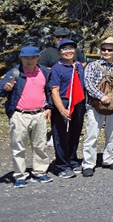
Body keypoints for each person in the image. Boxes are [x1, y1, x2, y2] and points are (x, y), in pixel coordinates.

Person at [1, 46, 54, 187]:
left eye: (33, 58)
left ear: (38, 58)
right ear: (21, 58)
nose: (29, 61)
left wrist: (48, 107)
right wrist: (6, 88)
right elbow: (1, 90)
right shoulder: (14, 73)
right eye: (26, 58)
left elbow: (48, 91)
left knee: (39, 145)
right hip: (20, 115)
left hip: (39, 114)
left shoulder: (44, 72)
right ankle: (20, 175)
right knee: (18, 147)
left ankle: (40, 172)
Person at [81, 37, 113, 177]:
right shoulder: (92, 66)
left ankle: (109, 159)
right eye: (104, 49)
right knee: (92, 135)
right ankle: (88, 163)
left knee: (112, 134)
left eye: (110, 49)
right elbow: (88, 83)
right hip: (95, 105)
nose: (106, 52)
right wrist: (101, 96)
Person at [49, 38, 87, 179]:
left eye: (71, 48)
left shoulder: (79, 66)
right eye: (64, 49)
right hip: (64, 103)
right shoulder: (56, 68)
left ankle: (72, 159)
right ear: (59, 52)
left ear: (75, 51)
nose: (68, 51)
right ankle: (62, 165)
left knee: (75, 133)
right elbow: (54, 91)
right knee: (61, 135)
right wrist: (61, 109)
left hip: (78, 103)